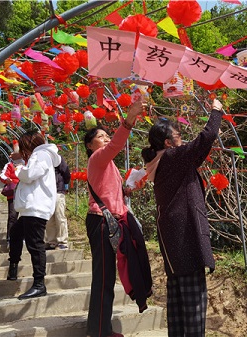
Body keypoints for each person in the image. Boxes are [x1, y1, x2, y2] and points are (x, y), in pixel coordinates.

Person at [141, 98, 224, 337]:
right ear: (168, 143)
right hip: (186, 236)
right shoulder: (171, 157)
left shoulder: (160, 161)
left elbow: (197, 154)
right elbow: (204, 140)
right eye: (179, 136)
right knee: (194, 305)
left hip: (173, 239)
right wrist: (216, 112)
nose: (183, 140)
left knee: (178, 304)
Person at [83, 100, 146, 337]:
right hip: (101, 222)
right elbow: (117, 144)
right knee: (103, 276)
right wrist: (129, 119)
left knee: (108, 275)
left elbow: (113, 194)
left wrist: (129, 188)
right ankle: (100, 331)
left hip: (112, 222)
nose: (106, 137)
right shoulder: (98, 158)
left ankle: (100, 327)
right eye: (100, 136)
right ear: (90, 145)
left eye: (106, 134)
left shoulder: (109, 165)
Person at [7, 130, 61, 300]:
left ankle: (39, 284)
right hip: (31, 207)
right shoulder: (41, 156)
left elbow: (30, 175)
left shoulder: (42, 155)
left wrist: (18, 168)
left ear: (29, 145)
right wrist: (21, 162)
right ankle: (13, 267)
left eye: (24, 147)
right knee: (15, 233)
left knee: (35, 244)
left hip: (36, 207)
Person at [45, 154, 71, 250]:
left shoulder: (58, 158)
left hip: (58, 191)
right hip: (47, 193)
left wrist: (65, 186)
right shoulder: (41, 160)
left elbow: (66, 173)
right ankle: (51, 241)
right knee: (49, 218)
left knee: (60, 216)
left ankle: (62, 241)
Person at [0, 152, 23, 248]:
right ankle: (10, 238)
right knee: (13, 216)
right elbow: (2, 175)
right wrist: (7, 179)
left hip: (25, 193)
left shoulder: (27, 163)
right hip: (13, 193)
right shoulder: (9, 165)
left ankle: (23, 236)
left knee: (26, 216)